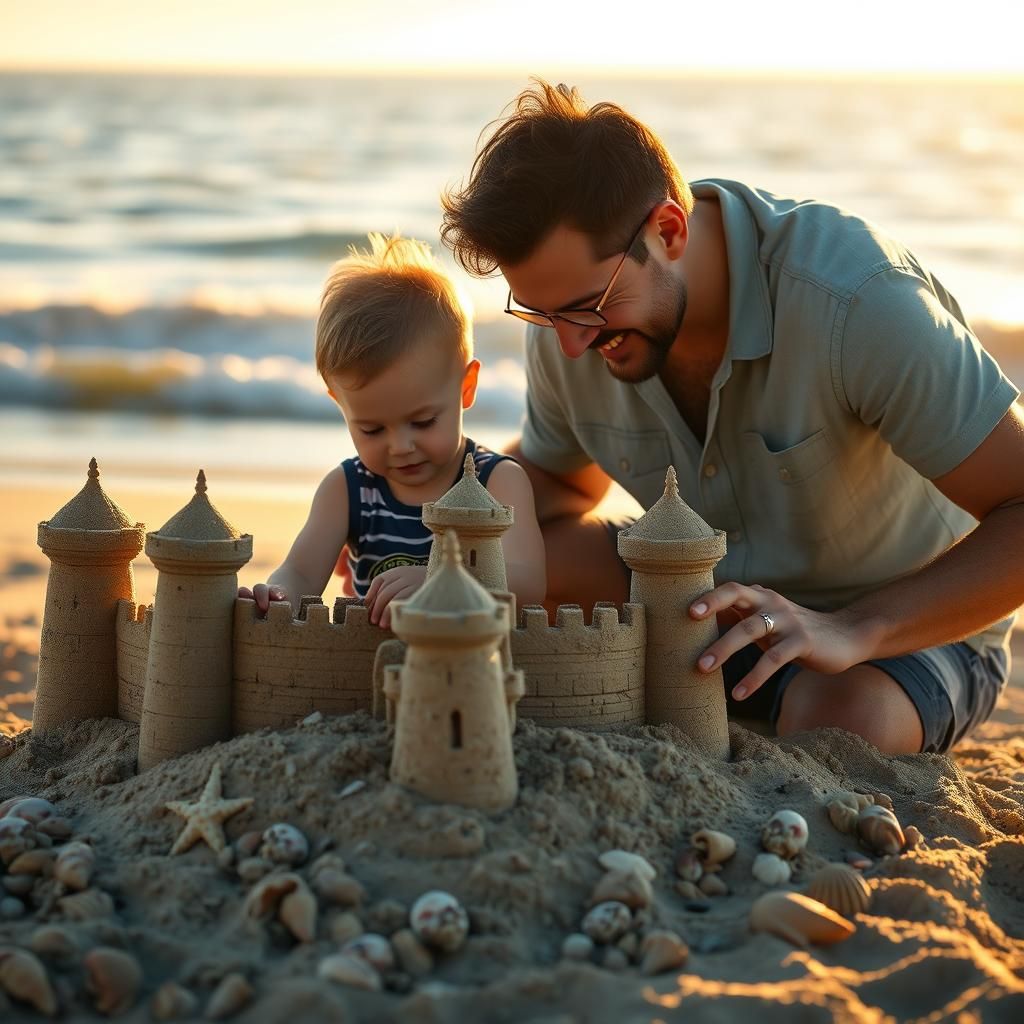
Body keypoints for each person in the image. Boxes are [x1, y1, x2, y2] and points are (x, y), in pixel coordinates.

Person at [439, 80, 1024, 755]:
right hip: (697, 601)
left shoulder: (856, 303)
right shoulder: (570, 326)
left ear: (668, 231)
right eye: (542, 313)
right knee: (516, 564)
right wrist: (421, 530)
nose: (570, 344)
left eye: (585, 307)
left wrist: (856, 628)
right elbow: (562, 487)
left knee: (838, 723)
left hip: (898, 631)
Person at [240, 234, 545, 629]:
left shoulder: (498, 482)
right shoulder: (348, 490)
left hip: (473, 670)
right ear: (340, 404)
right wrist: (277, 595)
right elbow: (300, 572)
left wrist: (442, 582)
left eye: (422, 422)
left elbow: (528, 583)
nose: (400, 446)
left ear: (465, 388)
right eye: (371, 429)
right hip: (370, 671)